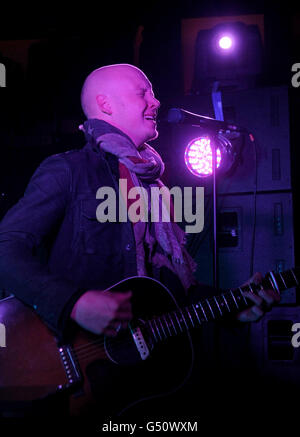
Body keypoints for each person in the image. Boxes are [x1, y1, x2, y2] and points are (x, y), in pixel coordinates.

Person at [0, 64, 279, 420]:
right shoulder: (69, 171)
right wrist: (73, 303)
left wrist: (234, 306)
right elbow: (5, 249)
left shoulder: (155, 188)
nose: (156, 100)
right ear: (105, 103)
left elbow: (168, 295)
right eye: (142, 92)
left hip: (135, 387)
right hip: (69, 374)